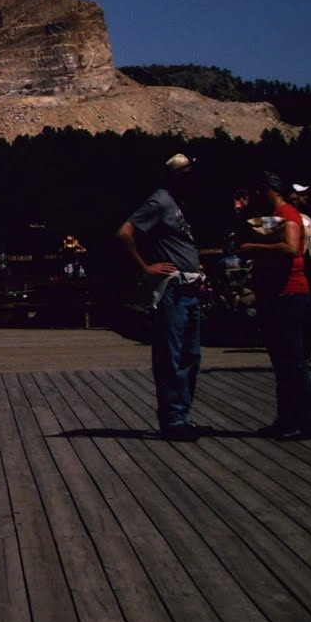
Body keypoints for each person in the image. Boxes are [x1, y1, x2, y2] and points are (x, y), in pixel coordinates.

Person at [117, 152, 204, 442]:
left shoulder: (179, 203)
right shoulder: (160, 201)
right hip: (173, 289)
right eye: (186, 176)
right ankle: (173, 418)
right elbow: (125, 232)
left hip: (190, 287)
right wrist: (145, 267)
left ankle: (183, 414)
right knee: (171, 354)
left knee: (190, 354)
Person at [240, 171, 311, 440]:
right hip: (278, 293)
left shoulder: (288, 214)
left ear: (270, 190)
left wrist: (254, 246)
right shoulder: (282, 214)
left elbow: (290, 247)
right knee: (283, 361)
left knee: (293, 361)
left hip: (289, 293)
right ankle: (287, 419)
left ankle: (304, 422)